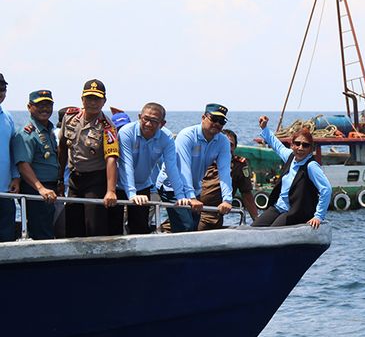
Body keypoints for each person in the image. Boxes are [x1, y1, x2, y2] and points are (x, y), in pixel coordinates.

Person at [157, 103, 233, 232]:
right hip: (172, 186)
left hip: (195, 188)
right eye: (214, 119)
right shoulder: (187, 135)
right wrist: (191, 198)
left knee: (193, 227)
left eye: (221, 121)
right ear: (203, 117)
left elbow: (225, 171)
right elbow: (184, 168)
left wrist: (227, 200)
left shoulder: (223, 141)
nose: (217, 124)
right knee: (186, 227)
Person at [58, 79, 120, 237]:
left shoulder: (108, 127)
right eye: (89, 98)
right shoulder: (69, 117)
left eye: (97, 99)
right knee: (72, 224)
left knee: (94, 227)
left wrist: (111, 191)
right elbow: (63, 147)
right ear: (82, 99)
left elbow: (111, 159)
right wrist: (59, 179)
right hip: (74, 179)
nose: (92, 103)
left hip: (95, 181)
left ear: (104, 101)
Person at [252, 115, 331, 229]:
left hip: (294, 212)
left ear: (310, 148)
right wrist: (264, 128)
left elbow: (326, 189)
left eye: (305, 145)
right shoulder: (290, 156)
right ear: (292, 145)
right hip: (278, 207)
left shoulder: (311, 166)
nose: (300, 148)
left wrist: (318, 216)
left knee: (272, 233)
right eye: (297, 144)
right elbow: (277, 146)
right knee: (254, 228)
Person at [117, 103, 183, 234]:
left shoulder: (166, 137)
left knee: (140, 229)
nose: (148, 124)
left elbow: (171, 167)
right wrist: (131, 194)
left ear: (162, 123)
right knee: (113, 229)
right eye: (145, 119)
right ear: (139, 117)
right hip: (118, 185)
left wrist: (180, 195)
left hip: (143, 186)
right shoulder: (126, 132)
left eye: (154, 121)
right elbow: (126, 164)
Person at [11, 90, 60, 239]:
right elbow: (23, 164)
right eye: (40, 105)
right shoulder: (26, 133)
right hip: (38, 190)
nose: (45, 109)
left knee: (50, 229)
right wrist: (41, 188)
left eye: (48, 105)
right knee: (42, 233)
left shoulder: (49, 130)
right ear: (29, 107)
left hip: (51, 188)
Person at [198, 129, 259, 230]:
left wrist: (257, 221)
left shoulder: (238, 166)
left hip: (211, 216)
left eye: (231, 145)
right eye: (225, 143)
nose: (227, 147)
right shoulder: (203, 160)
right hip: (192, 209)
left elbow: (246, 194)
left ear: (235, 147)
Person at [0, 74, 20, 242]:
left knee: (6, 239)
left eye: (3, 89)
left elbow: (13, 150)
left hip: (5, 190)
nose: (0, 92)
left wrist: (16, 176)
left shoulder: (8, 117)